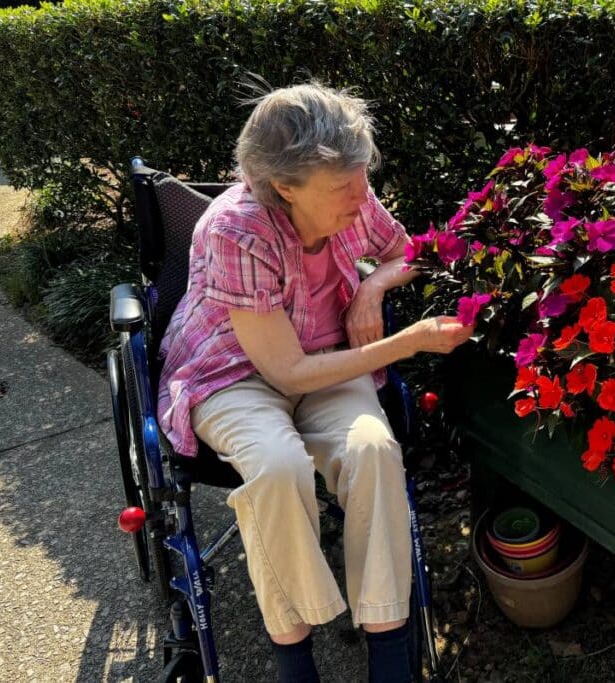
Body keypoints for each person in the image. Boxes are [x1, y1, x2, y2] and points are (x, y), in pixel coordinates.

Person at [156, 82, 473, 682]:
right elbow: (286, 371)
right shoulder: (235, 230)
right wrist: (408, 341)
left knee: (374, 450)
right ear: (284, 188)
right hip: (230, 373)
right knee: (278, 468)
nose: (361, 195)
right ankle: (295, 652)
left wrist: (374, 286)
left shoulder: (350, 190)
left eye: (361, 177)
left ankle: (388, 646)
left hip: (326, 355)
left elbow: (408, 251)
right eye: (341, 187)